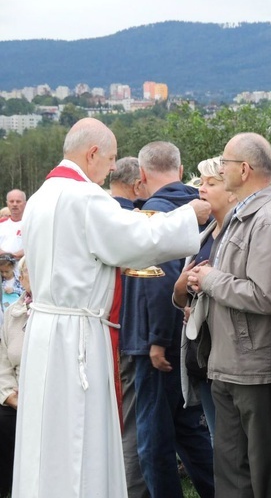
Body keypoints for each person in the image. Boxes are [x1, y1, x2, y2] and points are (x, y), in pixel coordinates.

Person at [14, 117, 210, 498]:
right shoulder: (84, 198)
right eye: (111, 158)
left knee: (48, 430)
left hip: (45, 331)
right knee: (79, 433)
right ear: (92, 154)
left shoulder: (40, 196)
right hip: (76, 337)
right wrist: (190, 217)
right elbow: (137, 238)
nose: (111, 168)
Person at [186, 132, 271, 497]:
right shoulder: (241, 216)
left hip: (257, 368)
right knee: (231, 477)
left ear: (244, 169)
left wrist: (212, 279)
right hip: (229, 363)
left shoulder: (267, 220)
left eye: (225, 162)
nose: (220, 168)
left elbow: (265, 295)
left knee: (266, 477)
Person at [120, 141, 215, 498]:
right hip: (188, 338)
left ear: (141, 176)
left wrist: (157, 338)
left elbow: (156, 282)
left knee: (153, 440)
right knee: (188, 431)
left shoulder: (153, 215)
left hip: (152, 343)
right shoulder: (201, 209)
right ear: (180, 168)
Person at [173, 156, 238, 439]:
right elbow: (180, 298)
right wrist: (181, 288)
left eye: (211, 183)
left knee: (234, 443)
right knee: (217, 442)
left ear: (233, 189)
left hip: (231, 354)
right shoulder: (204, 235)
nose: (202, 189)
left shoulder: (240, 236)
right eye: (200, 182)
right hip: (202, 354)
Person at [110, 156, 149, 498]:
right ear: (138, 185)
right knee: (131, 422)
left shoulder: (94, 214)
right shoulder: (131, 221)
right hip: (126, 332)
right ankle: (130, 490)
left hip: (100, 330)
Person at [0, 257, 30, 496]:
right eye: (28, 271)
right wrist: (8, 394)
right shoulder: (13, 313)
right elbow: (2, 363)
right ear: (20, 278)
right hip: (16, 397)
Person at [0, 189, 26, 259]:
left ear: (25, 203)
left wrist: (25, 251)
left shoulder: (31, 225)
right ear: (7, 204)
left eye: (18, 201)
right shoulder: (1, 225)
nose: (14, 204)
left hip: (23, 268)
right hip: (3, 267)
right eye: (11, 201)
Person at [0, 254, 22, 320]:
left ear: (13, 267)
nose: (4, 274)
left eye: (7, 271)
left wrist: (13, 290)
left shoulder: (19, 279)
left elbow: (25, 292)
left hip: (16, 309)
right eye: (1, 271)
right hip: (3, 309)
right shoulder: (1, 280)